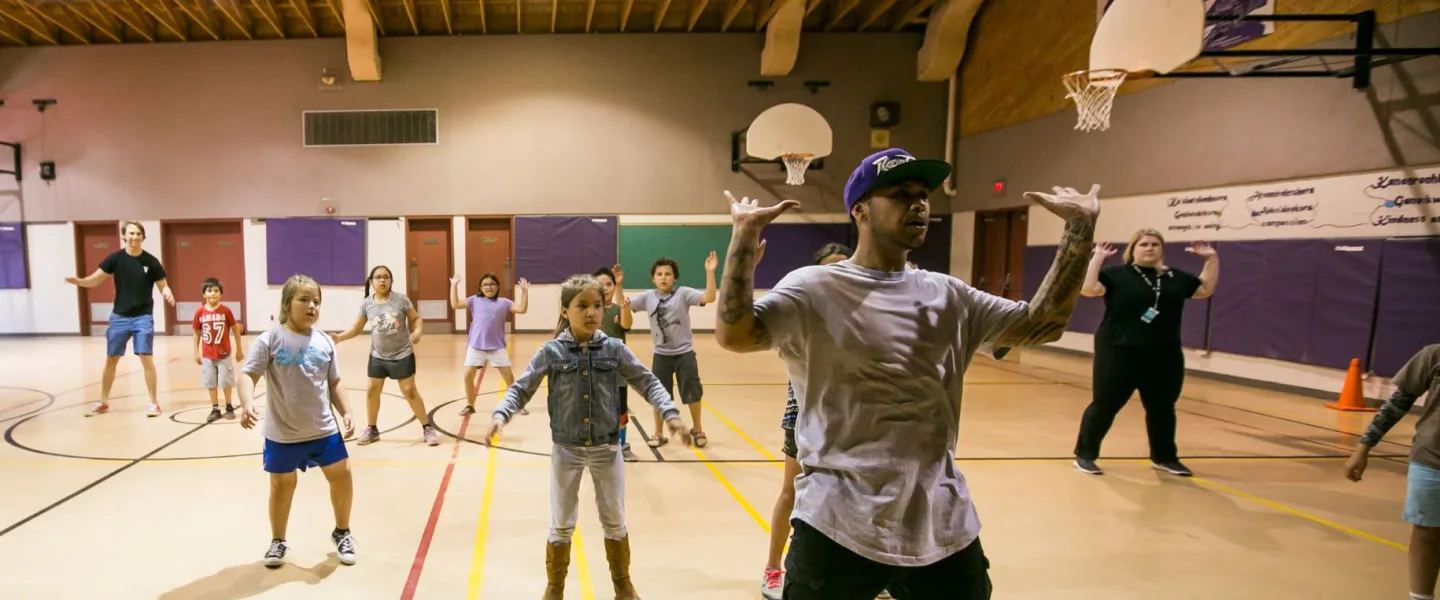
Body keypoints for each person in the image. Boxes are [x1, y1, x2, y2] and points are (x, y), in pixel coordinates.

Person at [714, 147, 1101, 599]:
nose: (919, 204)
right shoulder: (813, 288)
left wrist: (1080, 229)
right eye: (901, 194)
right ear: (860, 211)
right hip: (839, 522)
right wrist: (743, 237)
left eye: (923, 195)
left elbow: (1043, 325)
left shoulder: (950, 295)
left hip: (941, 522)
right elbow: (735, 335)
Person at [487, 274, 691, 600]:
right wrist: (501, 414)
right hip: (566, 450)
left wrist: (670, 413)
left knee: (614, 520)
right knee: (561, 522)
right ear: (565, 311)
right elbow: (521, 387)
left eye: (597, 305)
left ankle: (622, 584)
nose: (592, 312)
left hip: (607, 448)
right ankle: (555, 587)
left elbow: (647, 381)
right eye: (582, 306)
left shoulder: (614, 348)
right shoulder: (551, 352)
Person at [761, 242, 884, 600]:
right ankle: (773, 567)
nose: (839, 273)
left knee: (864, 494)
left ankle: (874, 571)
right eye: (831, 267)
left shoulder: (869, 316)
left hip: (855, 418)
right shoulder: (805, 310)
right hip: (804, 416)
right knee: (791, 491)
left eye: (845, 265)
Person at [1072, 229, 1218, 477]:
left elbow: (1204, 290)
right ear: (1133, 249)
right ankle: (1085, 455)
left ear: (1162, 249)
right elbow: (1088, 288)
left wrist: (1211, 259)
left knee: (1162, 406)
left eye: (1155, 244)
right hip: (1118, 350)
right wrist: (1097, 258)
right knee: (1105, 404)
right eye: (1144, 244)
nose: (1149, 248)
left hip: (1164, 353)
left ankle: (1164, 458)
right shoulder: (1117, 275)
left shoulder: (1175, 277)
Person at [236, 274, 358, 569]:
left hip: (323, 428)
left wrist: (347, 411)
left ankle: (342, 532)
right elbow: (247, 374)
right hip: (283, 433)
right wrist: (247, 402)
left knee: (342, 475)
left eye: (316, 301)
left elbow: (335, 383)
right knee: (282, 485)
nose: (312, 306)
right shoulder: (271, 338)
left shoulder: (325, 340)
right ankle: (278, 540)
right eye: (304, 299)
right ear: (287, 303)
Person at [1344, 344, 1440, 600]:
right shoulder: (1433, 355)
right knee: (1426, 533)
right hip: (1431, 460)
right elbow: (1398, 403)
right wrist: (1364, 447)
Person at [65, 220, 176, 417]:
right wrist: (80, 282)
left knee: (146, 358)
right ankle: (103, 402)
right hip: (119, 317)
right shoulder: (115, 258)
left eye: (138, 234)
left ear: (143, 237)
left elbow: (162, 284)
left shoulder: (150, 261)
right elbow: (96, 279)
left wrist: (167, 292)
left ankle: (153, 403)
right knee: (111, 359)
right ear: (124, 236)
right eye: (131, 234)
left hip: (143, 316)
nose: (134, 237)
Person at [335, 265, 437, 446]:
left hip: (402, 353)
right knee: (372, 390)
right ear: (371, 281)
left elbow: (416, 318)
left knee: (409, 391)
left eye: (386, 277)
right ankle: (372, 429)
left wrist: (418, 331)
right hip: (378, 355)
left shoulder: (401, 300)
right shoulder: (367, 303)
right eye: (378, 277)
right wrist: (340, 337)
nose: (382, 280)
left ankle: (427, 427)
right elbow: (356, 328)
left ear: (391, 280)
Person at [629, 254, 717, 448]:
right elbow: (624, 305)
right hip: (661, 356)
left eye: (668, 274)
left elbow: (709, 297)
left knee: (693, 392)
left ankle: (698, 428)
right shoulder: (647, 297)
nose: (663, 277)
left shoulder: (683, 293)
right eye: (659, 274)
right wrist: (618, 287)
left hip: (684, 353)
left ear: (674, 278)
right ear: (653, 278)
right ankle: (659, 433)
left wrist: (710, 273)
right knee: (659, 394)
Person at [451, 273, 530, 416]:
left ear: (498, 287)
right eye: (485, 284)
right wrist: (453, 285)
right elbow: (455, 304)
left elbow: (522, 309)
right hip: (476, 345)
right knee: (468, 374)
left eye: (492, 284)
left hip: (497, 346)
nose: (489, 287)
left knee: (508, 375)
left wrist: (524, 292)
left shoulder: (503, 302)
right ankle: (470, 404)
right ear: (480, 288)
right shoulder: (474, 300)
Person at [594, 265, 638, 462]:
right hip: (593, 370)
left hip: (617, 372)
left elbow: (627, 325)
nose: (605, 288)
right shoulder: (590, 310)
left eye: (609, 284)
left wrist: (625, 308)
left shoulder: (619, 309)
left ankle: (621, 446)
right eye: (600, 284)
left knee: (620, 412)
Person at [193, 277, 245, 423]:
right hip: (208, 355)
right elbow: (196, 332)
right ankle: (215, 408)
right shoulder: (200, 313)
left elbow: (235, 329)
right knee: (210, 382)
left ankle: (229, 406)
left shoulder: (226, 311)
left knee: (226, 381)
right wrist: (196, 352)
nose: (213, 294)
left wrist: (239, 349)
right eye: (209, 291)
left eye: (216, 291)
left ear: (221, 294)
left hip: (224, 354)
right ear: (204, 294)